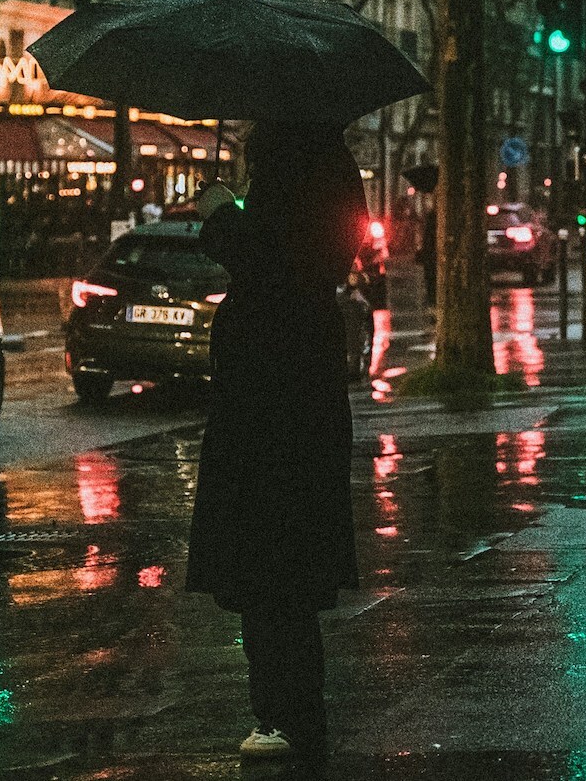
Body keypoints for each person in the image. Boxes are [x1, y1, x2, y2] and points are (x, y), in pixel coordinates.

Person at [189, 121, 366, 760]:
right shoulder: (326, 165)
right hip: (293, 398)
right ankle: (289, 712)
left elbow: (271, 261)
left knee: (268, 565)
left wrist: (220, 215)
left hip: (270, 403)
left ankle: (281, 716)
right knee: (282, 569)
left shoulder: (297, 169)